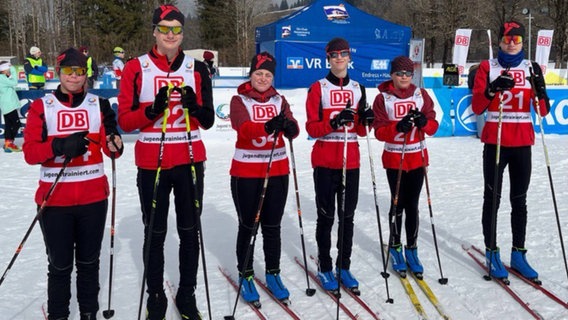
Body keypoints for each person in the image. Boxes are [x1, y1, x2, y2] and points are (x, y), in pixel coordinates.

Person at [117, 4, 214, 320]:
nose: (171, 35)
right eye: (164, 28)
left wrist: (194, 108)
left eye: (176, 29)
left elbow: (209, 119)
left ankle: (187, 294)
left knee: (189, 231)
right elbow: (125, 121)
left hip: (189, 160)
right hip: (152, 164)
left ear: (182, 33)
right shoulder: (136, 67)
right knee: (154, 233)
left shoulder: (197, 69)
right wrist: (152, 110)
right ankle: (155, 296)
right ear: (155, 31)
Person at [22, 47, 123, 320]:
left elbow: (110, 144)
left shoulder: (98, 104)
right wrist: (58, 145)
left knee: (89, 263)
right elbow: (30, 153)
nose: (75, 77)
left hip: (93, 199)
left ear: (86, 75)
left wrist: (115, 145)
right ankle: (58, 314)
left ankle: (88, 312)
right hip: (55, 201)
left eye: (80, 72)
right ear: (59, 73)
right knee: (60, 265)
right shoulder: (42, 106)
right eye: (69, 71)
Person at [472, 21, 550, 280]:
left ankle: (519, 253)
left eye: (516, 40)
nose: (512, 43)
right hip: (496, 141)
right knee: (492, 198)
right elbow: (478, 106)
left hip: (522, 143)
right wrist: (493, 89)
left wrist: (540, 90)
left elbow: (543, 111)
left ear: (522, 43)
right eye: (507, 39)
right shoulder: (488, 67)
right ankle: (492, 251)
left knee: (520, 200)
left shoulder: (531, 67)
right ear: (501, 41)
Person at [305, 37, 374, 294]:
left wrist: (367, 121)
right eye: (334, 55)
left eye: (343, 53)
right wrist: (334, 122)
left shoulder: (359, 88)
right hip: (325, 161)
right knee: (326, 217)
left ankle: (343, 266)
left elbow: (361, 131)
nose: (339, 58)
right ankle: (325, 267)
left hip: (351, 160)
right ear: (328, 58)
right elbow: (311, 128)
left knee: (347, 217)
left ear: (349, 56)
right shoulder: (318, 88)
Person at [229, 52, 299, 304]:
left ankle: (273, 272)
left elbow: (293, 125)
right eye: (258, 73)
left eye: (267, 74)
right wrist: (267, 127)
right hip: (246, 173)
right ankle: (246, 273)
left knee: (272, 227)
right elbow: (243, 128)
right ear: (251, 74)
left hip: (277, 171)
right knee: (248, 225)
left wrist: (291, 128)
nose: (262, 78)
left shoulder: (280, 100)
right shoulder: (239, 100)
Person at [371, 56, 439, 276]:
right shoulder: (383, 98)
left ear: (412, 75)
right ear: (392, 75)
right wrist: (397, 127)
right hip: (394, 159)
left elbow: (433, 125)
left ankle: (412, 248)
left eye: (407, 74)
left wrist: (424, 123)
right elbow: (379, 132)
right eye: (399, 73)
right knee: (397, 203)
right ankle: (396, 246)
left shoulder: (421, 95)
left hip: (417, 158)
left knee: (413, 205)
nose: (403, 77)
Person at [0, 61, 22, 152]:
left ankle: (8, 143)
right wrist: (13, 69)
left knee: (9, 125)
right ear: (3, 70)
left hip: (7, 104)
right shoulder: (2, 78)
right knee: (16, 124)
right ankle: (9, 143)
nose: (9, 70)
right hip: (9, 105)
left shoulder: (3, 78)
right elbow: (15, 82)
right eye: (7, 69)